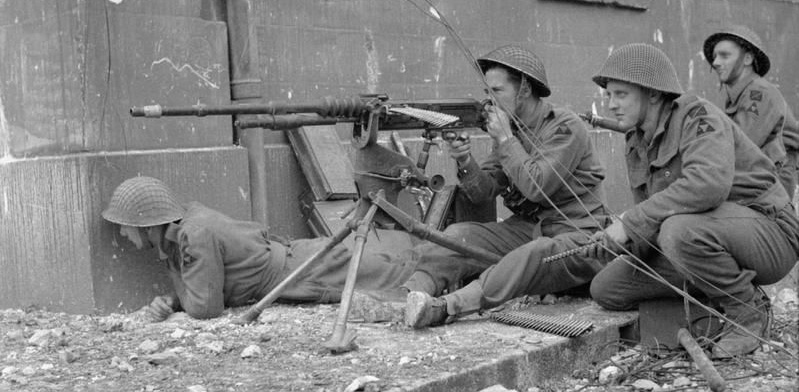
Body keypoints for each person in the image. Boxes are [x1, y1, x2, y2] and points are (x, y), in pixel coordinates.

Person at [356, 44, 609, 329]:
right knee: (458, 235)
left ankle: (445, 307)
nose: (490, 102)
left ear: (524, 88)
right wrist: (465, 159)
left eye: (497, 92)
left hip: (577, 236)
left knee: (535, 253)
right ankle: (406, 296)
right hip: (527, 230)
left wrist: (505, 140)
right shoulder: (511, 129)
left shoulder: (565, 127)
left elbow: (537, 186)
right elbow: (484, 192)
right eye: (487, 93)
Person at [587, 43, 799, 358]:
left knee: (678, 231)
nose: (611, 105)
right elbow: (652, 216)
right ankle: (716, 302)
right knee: (607, 288)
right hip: (706, 237)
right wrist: (623, 242)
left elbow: (708, 185)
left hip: (770, 233)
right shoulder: (636, 142)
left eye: (621, 94)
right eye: (609, 96)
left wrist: (629, 222)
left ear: (654, 94)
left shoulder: (698, 116)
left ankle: (747, 310)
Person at [102, 176, 418, 322]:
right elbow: (209, 282)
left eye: (125, 227)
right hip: (298, 262)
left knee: (402, 272)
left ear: (146, 225)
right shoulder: (187, 222)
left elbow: (205, 308)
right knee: (395, 267)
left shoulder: (193, 234)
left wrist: (173, 299)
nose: (122, 233)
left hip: (305, 272)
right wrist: (173, 299)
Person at [703, 25, 799, 199]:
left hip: (771, 189)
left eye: (724, 55)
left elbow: (741, 143)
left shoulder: (760, 93)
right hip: (755, 181)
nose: (715, 62)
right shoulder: (740, 95)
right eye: (715, 56)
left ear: (747, 59)